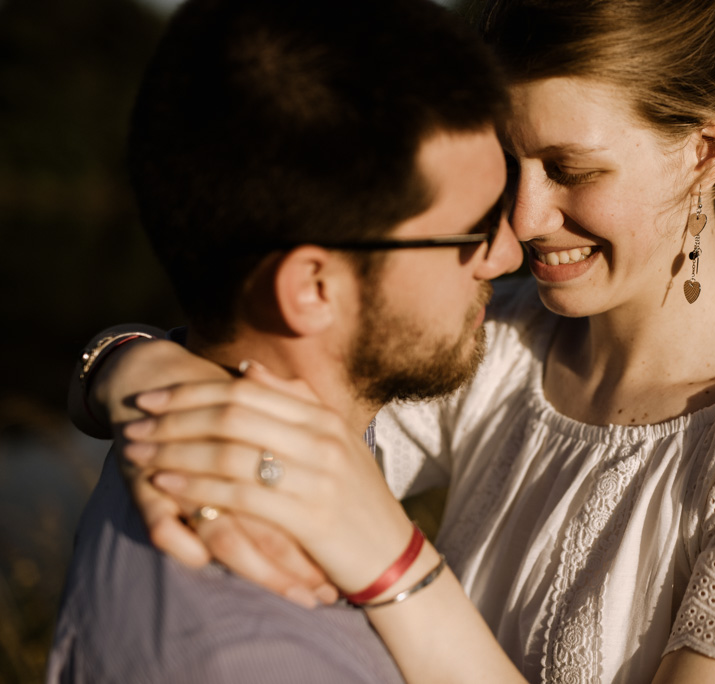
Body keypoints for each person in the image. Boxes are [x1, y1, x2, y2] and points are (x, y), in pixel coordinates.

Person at [71, 0, 715, 683]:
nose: (524, 220)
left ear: (706, 152)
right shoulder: (502, 340)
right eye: (511, 166)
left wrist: (396, 565)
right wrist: (127, 365)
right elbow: (293, 377)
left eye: (573, 170)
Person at [46, 0, 527, 682]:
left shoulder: (206, 414)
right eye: (475, 229)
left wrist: (123, 359)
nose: (509, 255)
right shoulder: (260, 654)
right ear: (313, 288)